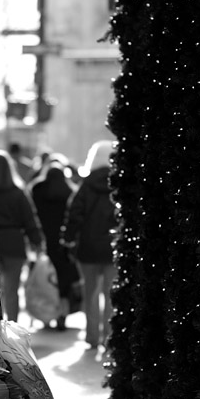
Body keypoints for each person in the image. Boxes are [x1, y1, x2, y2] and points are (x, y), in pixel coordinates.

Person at [0, 149, 44, 322]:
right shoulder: (18, 193)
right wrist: (37, 242)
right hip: (14, 244)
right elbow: (29, 220)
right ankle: (12, 327)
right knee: (12, 291)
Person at [61, 140, 118, 353]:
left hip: (88, 248)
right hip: (113, 248)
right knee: (111, 294)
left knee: (90, 293)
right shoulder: (119, 185)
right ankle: (109, 337)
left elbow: (74, 214)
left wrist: (68, 238)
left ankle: (92, 336)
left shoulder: (85, 186)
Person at [28, 164, 81, 330]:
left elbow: (31, 215)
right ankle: (62, 315)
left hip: (44, 243)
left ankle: (45, 314)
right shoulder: (69, 192)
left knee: (43, 280)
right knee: (63, 283)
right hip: (62, 245)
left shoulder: (36, 190)